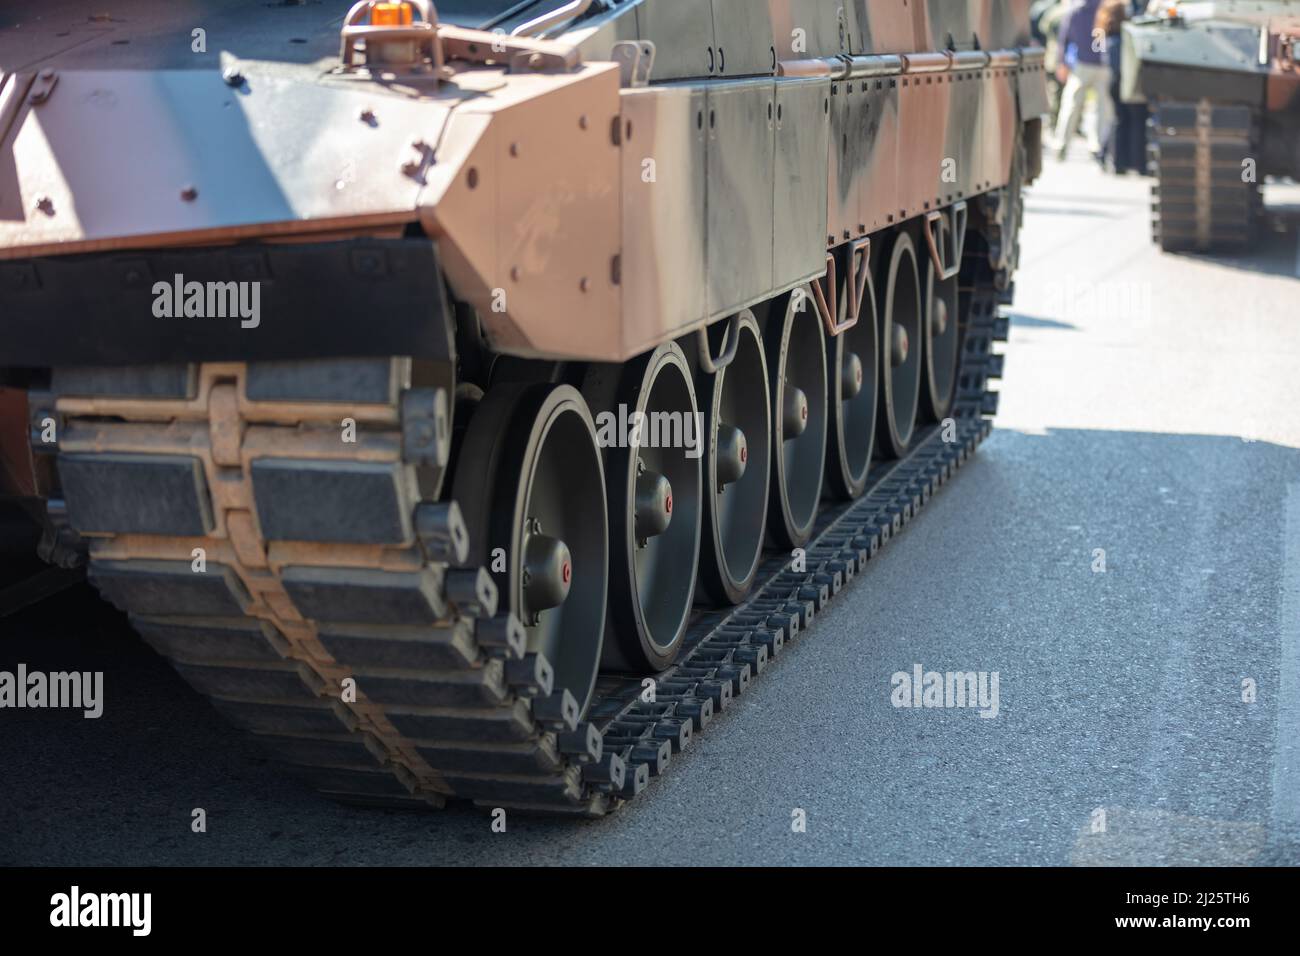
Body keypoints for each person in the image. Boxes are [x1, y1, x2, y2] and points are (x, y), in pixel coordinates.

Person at [1050, 0, 1114, 161]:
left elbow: (1064, 38)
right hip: (1099, 63)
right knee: (1101, 109)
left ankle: (1062, 145)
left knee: (1072, 106)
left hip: (1083, 63)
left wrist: (1061, 62)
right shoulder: (1105, 7)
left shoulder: (1076, 9)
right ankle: (1097, 147)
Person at [1096, 0, 1149, 173]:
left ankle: (1118, 162)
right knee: (1136, 122)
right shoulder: (1122, 40)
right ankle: (1138, 163)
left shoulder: (1108, 37)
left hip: (1114, 82)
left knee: (1120, 121)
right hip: (1126, 81)